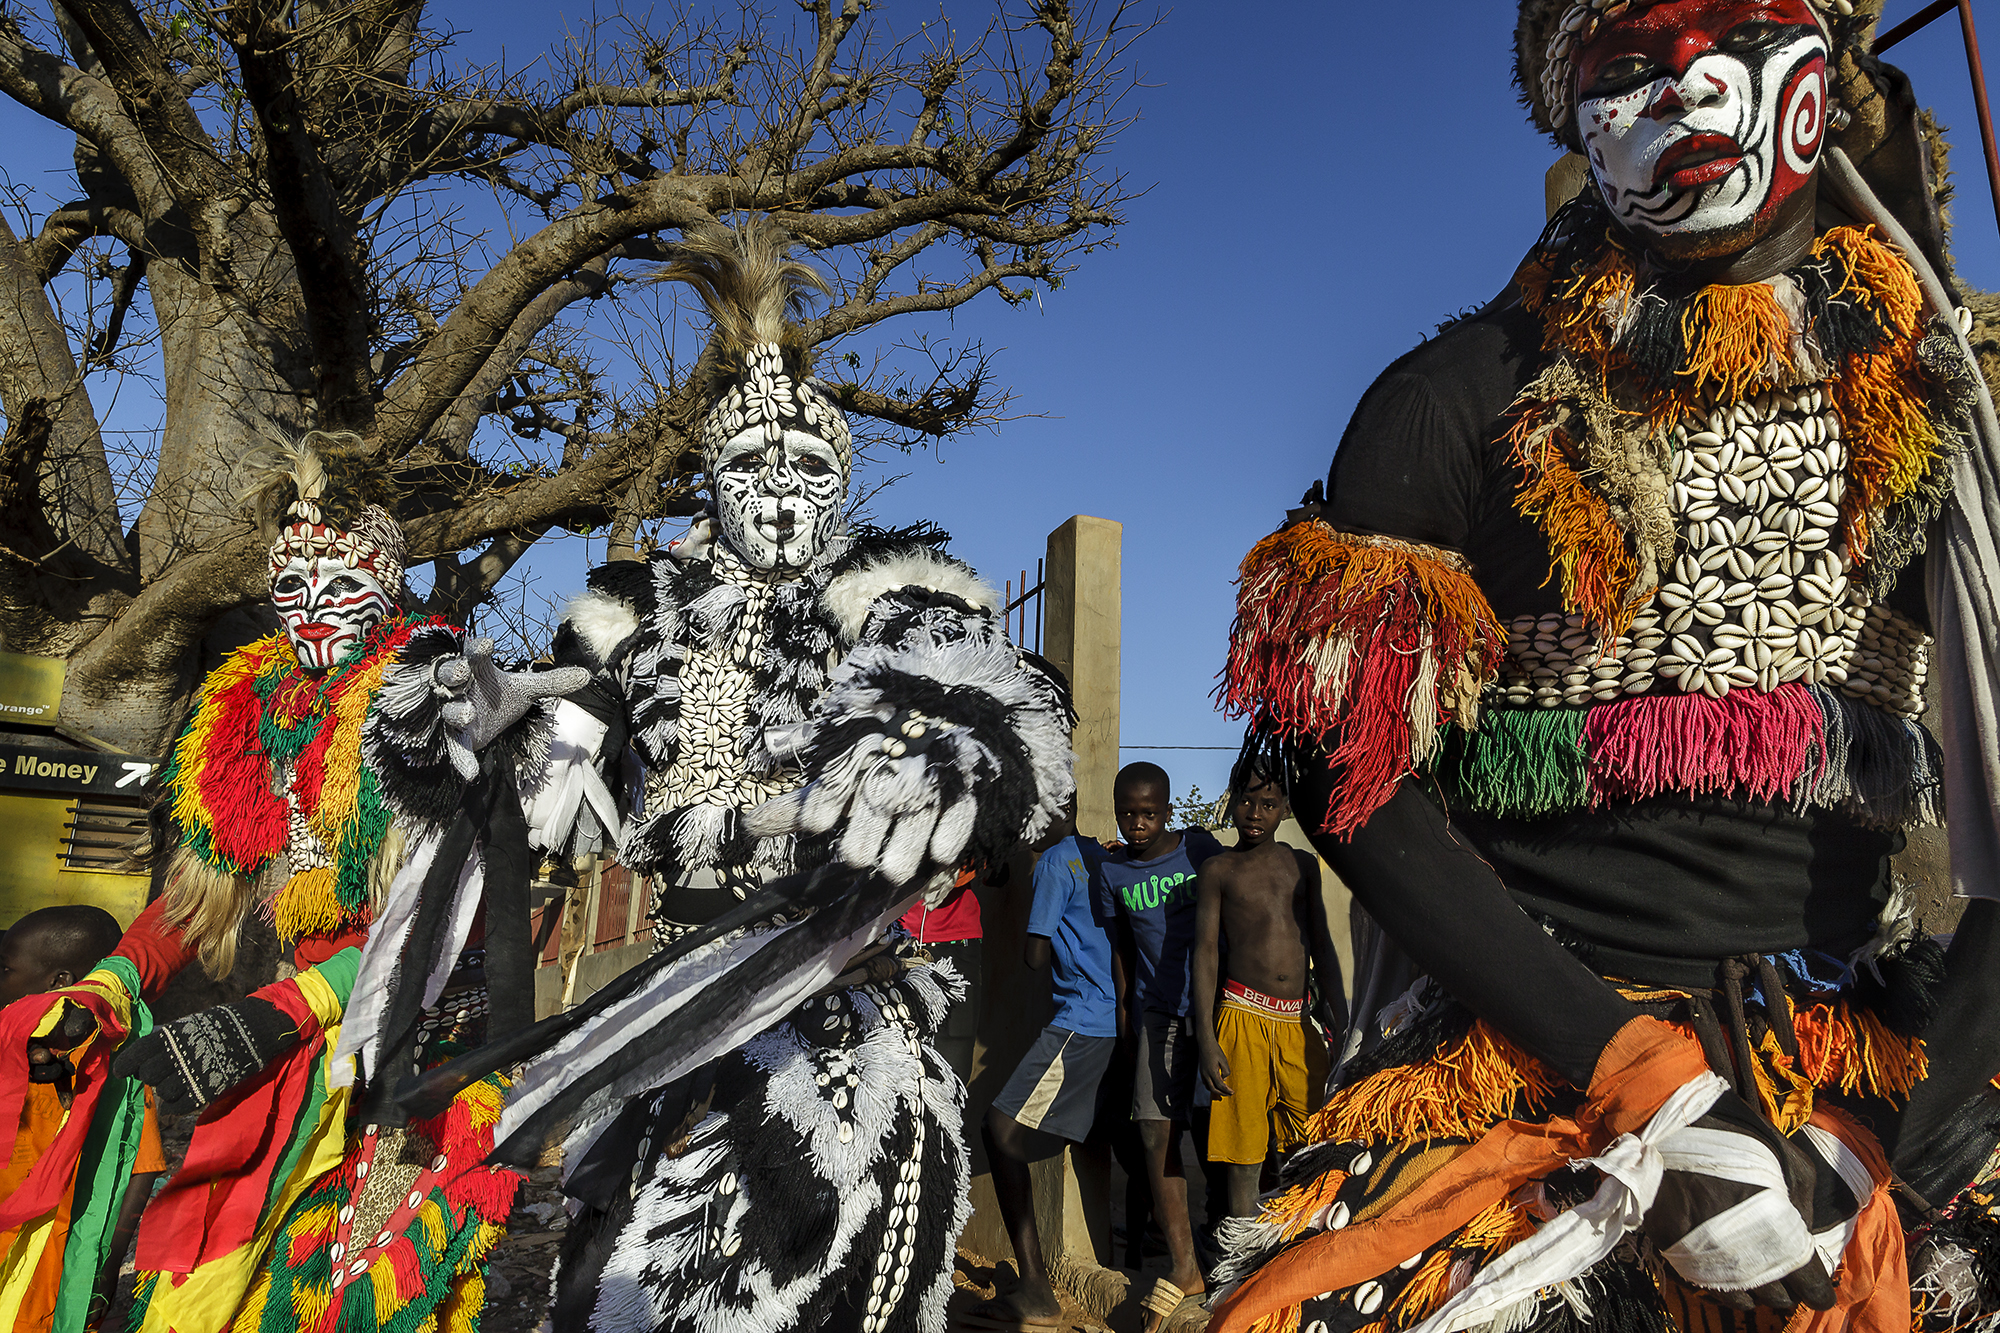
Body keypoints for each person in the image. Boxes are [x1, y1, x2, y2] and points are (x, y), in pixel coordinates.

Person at [1206, 2, 2000, 1329]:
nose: (1686, 91)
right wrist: (1643, 1080)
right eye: (1629, 63)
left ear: (1826, 63)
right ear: (1564, 98)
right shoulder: (1453, 396)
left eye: (1735, 32)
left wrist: (1906, 1176)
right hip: (1525, 1055)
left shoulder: (1937, 410)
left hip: (1870, 1056)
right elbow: (1344, 764)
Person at [409, 217, 1077, 1333]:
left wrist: (949, 748)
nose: (776, 494)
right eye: (747, 467)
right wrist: (487, 742)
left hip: (836, 996)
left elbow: (1001, 707)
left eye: (809, 467)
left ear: (845, 485)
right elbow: (544, 749)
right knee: (602, 1271)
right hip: (675, 989)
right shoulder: (640, 616)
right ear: (709, 481)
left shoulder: (892, 603)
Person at [1, 433, 577, 1333]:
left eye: (340, 589)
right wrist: (110, 984)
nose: (312, 613)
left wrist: (291, 1007)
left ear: (383, 592)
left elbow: (434, 919)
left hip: (410, 1052)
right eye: (294, 588)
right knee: (199, 1279)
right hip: (294, 1038)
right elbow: (201, 897)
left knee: (340, 1300)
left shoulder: (431, 706)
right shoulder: (244, 706)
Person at [972, 811, 1115, 1327]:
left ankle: (1035, 1286)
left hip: (1081, 1017)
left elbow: (1035, 956)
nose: (1026, 828)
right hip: (1112, 1016)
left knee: (999, 1127)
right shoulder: (1100, 854)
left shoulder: (1053, 863)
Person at [1094, 763, 1222, 1309]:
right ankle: (1184, 1264)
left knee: (1218, 1139)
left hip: (1215, 1011)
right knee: (1153, 1132)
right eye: (1127, 813)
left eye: (1148, 814)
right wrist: (1127, 1011)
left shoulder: (1200, 850)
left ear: (1168, 811)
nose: (1137, 824)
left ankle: (1228, 1253)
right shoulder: (1112, 871)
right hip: (1156, 1013)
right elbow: (1121, 945)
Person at [0, 907, 164, 1332]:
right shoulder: (13, 1049)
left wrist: (105, 1273)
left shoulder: (112, 1073)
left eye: (6, 969)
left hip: (56, 1264)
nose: (1, 981)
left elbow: (140, 1169)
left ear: (61, 984)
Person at [1189, 763, 1340, 1221]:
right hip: (1240, 1018)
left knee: (1311, 1142)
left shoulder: (1302, 864)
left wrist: (1343, 1014)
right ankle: (1241, 1266)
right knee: (1244, 1155)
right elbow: (1205, 954)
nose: (1255, 812)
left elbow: (1322, 943)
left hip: (1297, 1021)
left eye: (1269, 804)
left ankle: (1297, 1253)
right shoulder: (1219, 869)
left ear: (1286, 809)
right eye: (1246, 801)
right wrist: (1206, 1038)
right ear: (1231, 800)